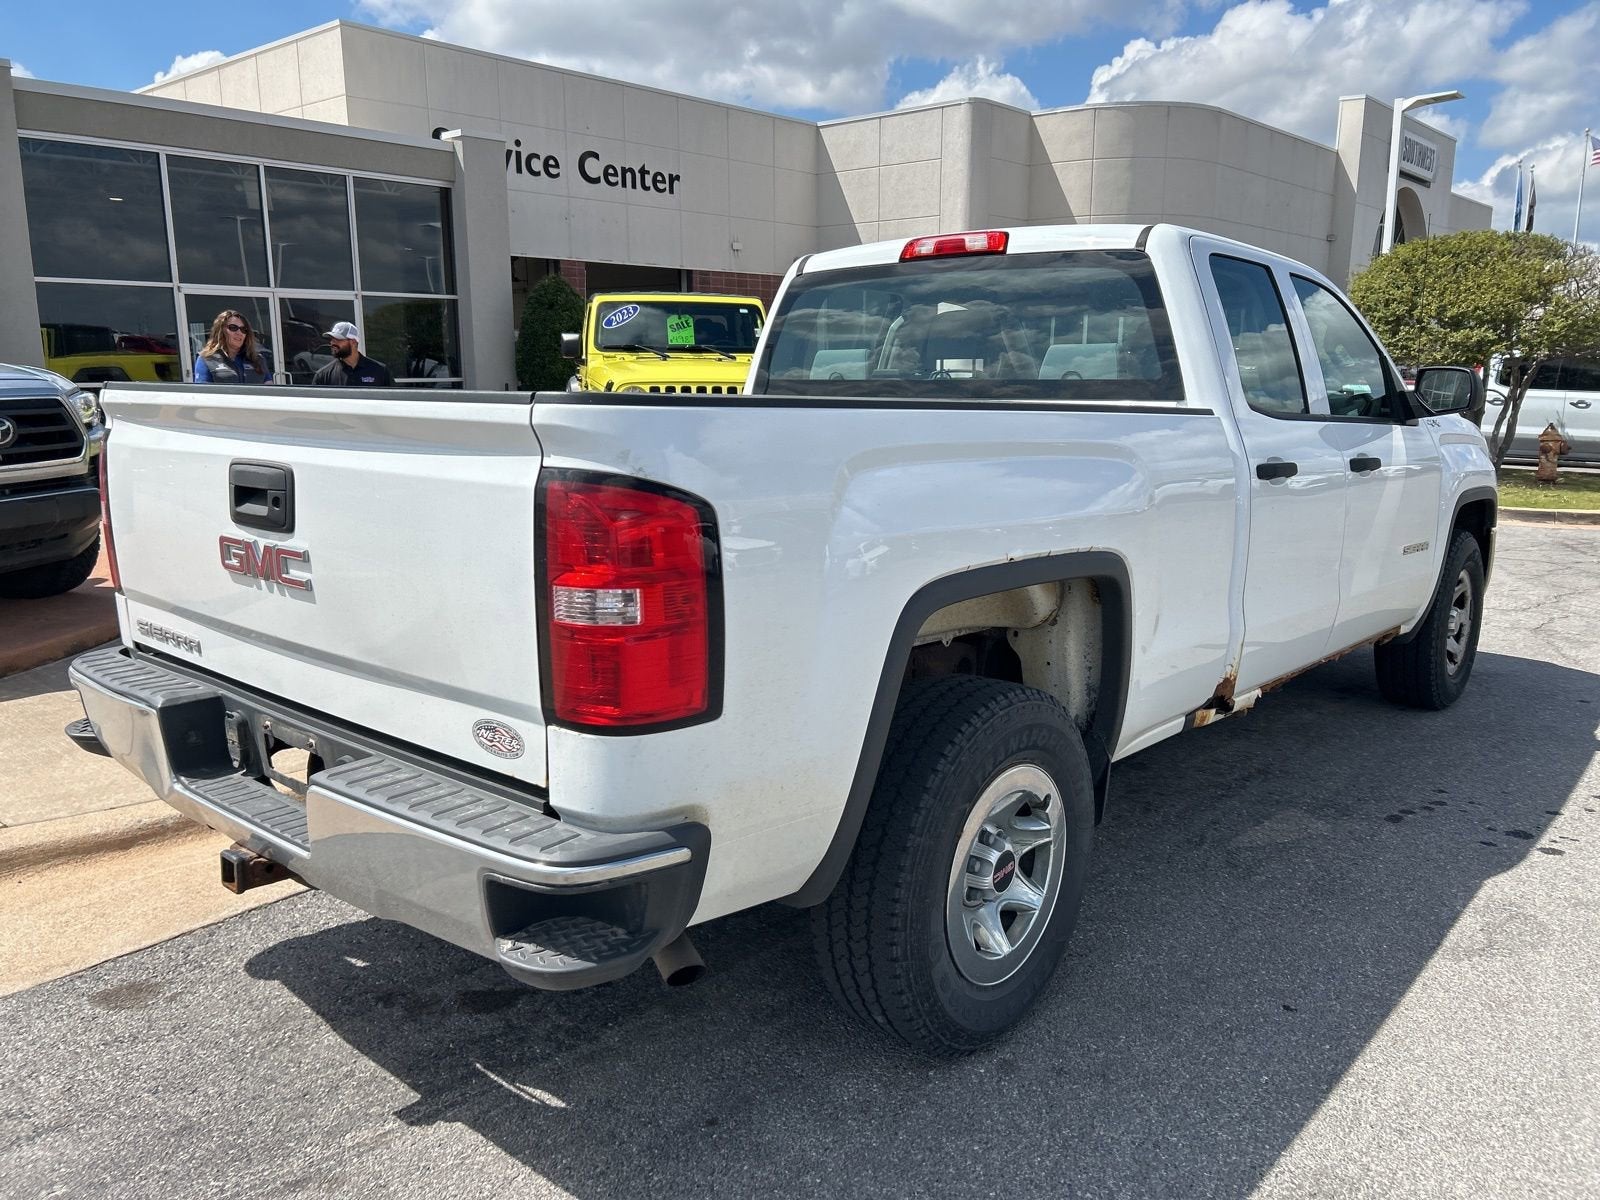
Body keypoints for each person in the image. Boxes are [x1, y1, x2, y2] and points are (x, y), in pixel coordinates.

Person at [193, 310, 270, 384]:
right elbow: (203, 393)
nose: (239, 333)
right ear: (221, 331)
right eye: (233, 328)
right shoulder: (207, 359)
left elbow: (269, 388)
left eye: (243, 329)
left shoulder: (258, 360)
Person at [312, 321, 394, 387]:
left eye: (338, 339)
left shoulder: (380, 371)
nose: (332, 343)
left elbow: (393, 402)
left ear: (353, 342)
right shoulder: (323, 375)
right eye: (332, 339)